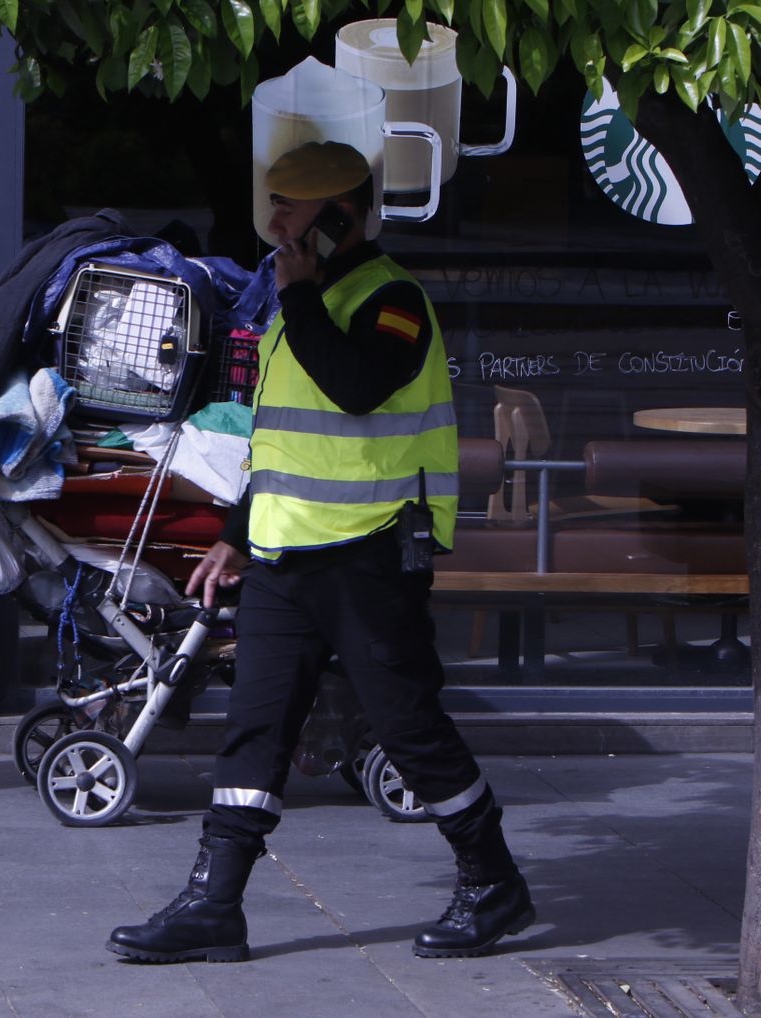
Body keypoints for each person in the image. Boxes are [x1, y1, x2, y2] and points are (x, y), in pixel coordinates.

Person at [106, 142, 534, 964]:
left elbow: (356, 386)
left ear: (343, 217)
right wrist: (235, 535)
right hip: (283, 555)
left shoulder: (392, 299)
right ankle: (213, 903)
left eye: (295, 211)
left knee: (407, 728)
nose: (275, 224)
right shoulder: (293, 303)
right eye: (275, 205)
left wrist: (300, 299)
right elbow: (283, 442)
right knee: (254, 728)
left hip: (368, 556)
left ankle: (492, 880)